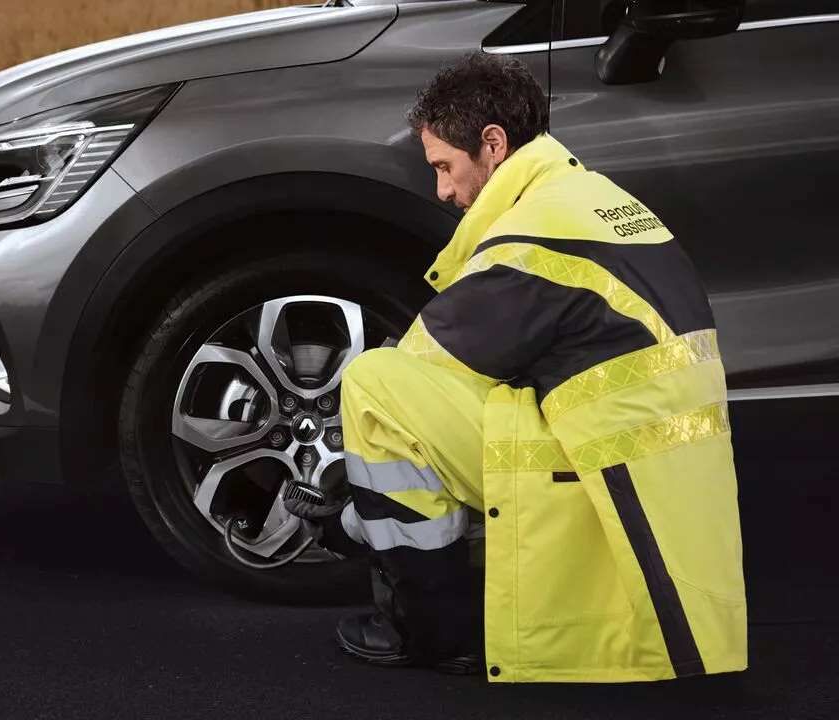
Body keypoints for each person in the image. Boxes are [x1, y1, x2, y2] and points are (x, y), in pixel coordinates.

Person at [286, 52, 747, 683]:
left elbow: (417, 379)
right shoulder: (586, 198)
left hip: (608, 482)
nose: (443, 190)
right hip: (654, 479)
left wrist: (349, 515)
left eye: (445, 166)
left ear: (493, 145)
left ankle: (435, 632)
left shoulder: (535, 237)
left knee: (376, 386)